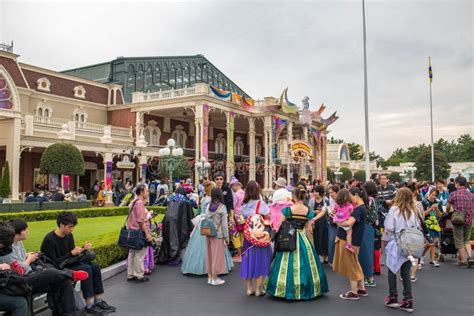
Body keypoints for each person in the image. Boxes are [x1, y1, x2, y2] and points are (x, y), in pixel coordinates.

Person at [0, 219, 89, 316]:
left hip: (29, 274)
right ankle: (71, 274)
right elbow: (18, 271)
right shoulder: (7, 249)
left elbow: (18, 261)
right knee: (50, 273)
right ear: (16, 234)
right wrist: (29, 259)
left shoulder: (17, 243)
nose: (27, 231)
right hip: (21, 281)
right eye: (25, 229)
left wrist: (27, 255)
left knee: (64, 281)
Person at [40, 212, 116, 314]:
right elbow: (54, 262)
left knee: (94, 266)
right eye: (70, 227)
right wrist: (71, 253)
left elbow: (72, 256)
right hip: (56, 269)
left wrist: (82, 249)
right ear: (61, 225)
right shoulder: (50, 239)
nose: (72, 229)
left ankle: (98, 300)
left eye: (73, 227)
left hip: (68, 263)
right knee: (86, 268)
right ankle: (89, 304)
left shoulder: (69, 236)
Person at [266, 186, 329, 300]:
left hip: (289, 237)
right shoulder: (308, 211)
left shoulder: (287, 210)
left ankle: (284, 288)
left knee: (285, 264)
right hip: (302, 237)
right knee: (306, 263)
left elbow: (280, 225)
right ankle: (307, 287)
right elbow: (309, 228)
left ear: (294, 196)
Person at [181, 181, 234, 275]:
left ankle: (203, 268)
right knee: (213, 249)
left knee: (201, 247)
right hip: (211, 224)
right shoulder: (212, 201)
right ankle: (214, 270)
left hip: (203, 222)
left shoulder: (203, 198)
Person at [383, 188, 421, 313]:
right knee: (406, 272)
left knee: (392, 270)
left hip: (396, 242)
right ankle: (408, 299)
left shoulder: (394, 210)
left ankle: (393, 297)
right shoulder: (413, 211)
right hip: (410, 245)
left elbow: (389, 227)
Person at [332, 187, 368, 300]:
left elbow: (348, 223)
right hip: (355, 240)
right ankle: (361, 289)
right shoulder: (361, 208)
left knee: (351, 266)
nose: (350, 200)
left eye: (351, 197)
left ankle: (354, 292)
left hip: (351, 241)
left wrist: (337, 220)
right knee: (355, 264)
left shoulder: (359, 209)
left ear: (356, 195)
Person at [240, 181, 272, 297]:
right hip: (261, 236)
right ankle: (259, 289)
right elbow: (268, 214)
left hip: (248, 237)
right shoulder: (261, 204)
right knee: (261, 262)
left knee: (248, 261)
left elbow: (241, 217)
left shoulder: (244, 205)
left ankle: (249, 289)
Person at [157, 187, 194, 265]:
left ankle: (166, 256)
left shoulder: (171, 199)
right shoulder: (185, 201)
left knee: (168, 238)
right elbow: (188, 216)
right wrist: (191, 226)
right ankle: (174, 257)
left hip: (167, 220)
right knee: (176, 239)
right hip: (178, 222)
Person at [126, 184, 154, 283]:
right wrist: (147, 233)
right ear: (142, 192)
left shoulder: (133, 201)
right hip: (138, 232)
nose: (148, 193)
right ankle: (139, 275)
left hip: (131, 231)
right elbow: (141, 220)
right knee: (139, 254)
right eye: (146, 191)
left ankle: (130, 274)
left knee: (132, 253)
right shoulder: (140, 203)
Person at [446, 176, 473, 266]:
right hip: (469, 220)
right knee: (466, 240)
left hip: (458, 220)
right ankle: (470, 257)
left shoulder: (453, 194)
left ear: (457, 183)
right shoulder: (471, 194)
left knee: (459, 240)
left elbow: (448, 207)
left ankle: (463, 260)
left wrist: (447, 212)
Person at [205, 188, 230, 285]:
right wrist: (227, 237)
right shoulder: (222, 207)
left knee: (209, 255)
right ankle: (215, 278)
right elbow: (224, 225)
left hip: (208, 232)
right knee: (216, 256)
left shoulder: (208, 206)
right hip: (218, 234)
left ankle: (210, 277)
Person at [360, 181, 378, 287]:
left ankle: (368, 277)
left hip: (364, 227)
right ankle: (368, 276)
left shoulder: (368, 201)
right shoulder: (374, 200)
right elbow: (374, 217)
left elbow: (369, 216)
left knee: (364, 252)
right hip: (370, 228)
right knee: (368, 252)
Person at [421, 189, 442, 267]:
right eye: (432, 194)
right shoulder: (424, 202)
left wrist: (436, 209)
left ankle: (432, 260)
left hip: (435, 224)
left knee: (434, 243)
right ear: (429, 194)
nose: (433, 197)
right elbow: (422, 214)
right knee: (429, 243)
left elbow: (440, 215)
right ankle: (421, 255)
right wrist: (430, 208)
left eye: (435, 195)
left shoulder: (438, 202)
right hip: (426, 223)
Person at [309, 185, 329, 263]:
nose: (314, 193)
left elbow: (328, 210)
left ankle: (325, 256)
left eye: (316, 191)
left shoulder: (326, 200)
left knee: (324, 238)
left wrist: (322, 211)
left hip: (324, 222)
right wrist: (314, 212)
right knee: (316, 238)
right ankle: (317, 255)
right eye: (313, 191)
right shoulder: (312, 200)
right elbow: (309, 210)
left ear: (320, 192)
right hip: (315, 222)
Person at [230, 177, 245, 262]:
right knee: (242, 235)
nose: (232, 188)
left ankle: (239, 255)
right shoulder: (244, 193)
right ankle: (242, 254)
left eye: (232, 186)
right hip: (243, 217)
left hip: (236, 217)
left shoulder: (236, 195)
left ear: (236, 185)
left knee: (235, 235)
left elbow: (233, 206)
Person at [327, 185, 339, 265]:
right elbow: (326, 210)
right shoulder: (328, 201)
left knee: (340, 243)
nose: (331, 194)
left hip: (342, 224)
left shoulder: (342, 200)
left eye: (332, 192)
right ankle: (331, 260)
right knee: (331, 241)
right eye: (329, 193)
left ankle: (339, 261)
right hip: (332, 224)